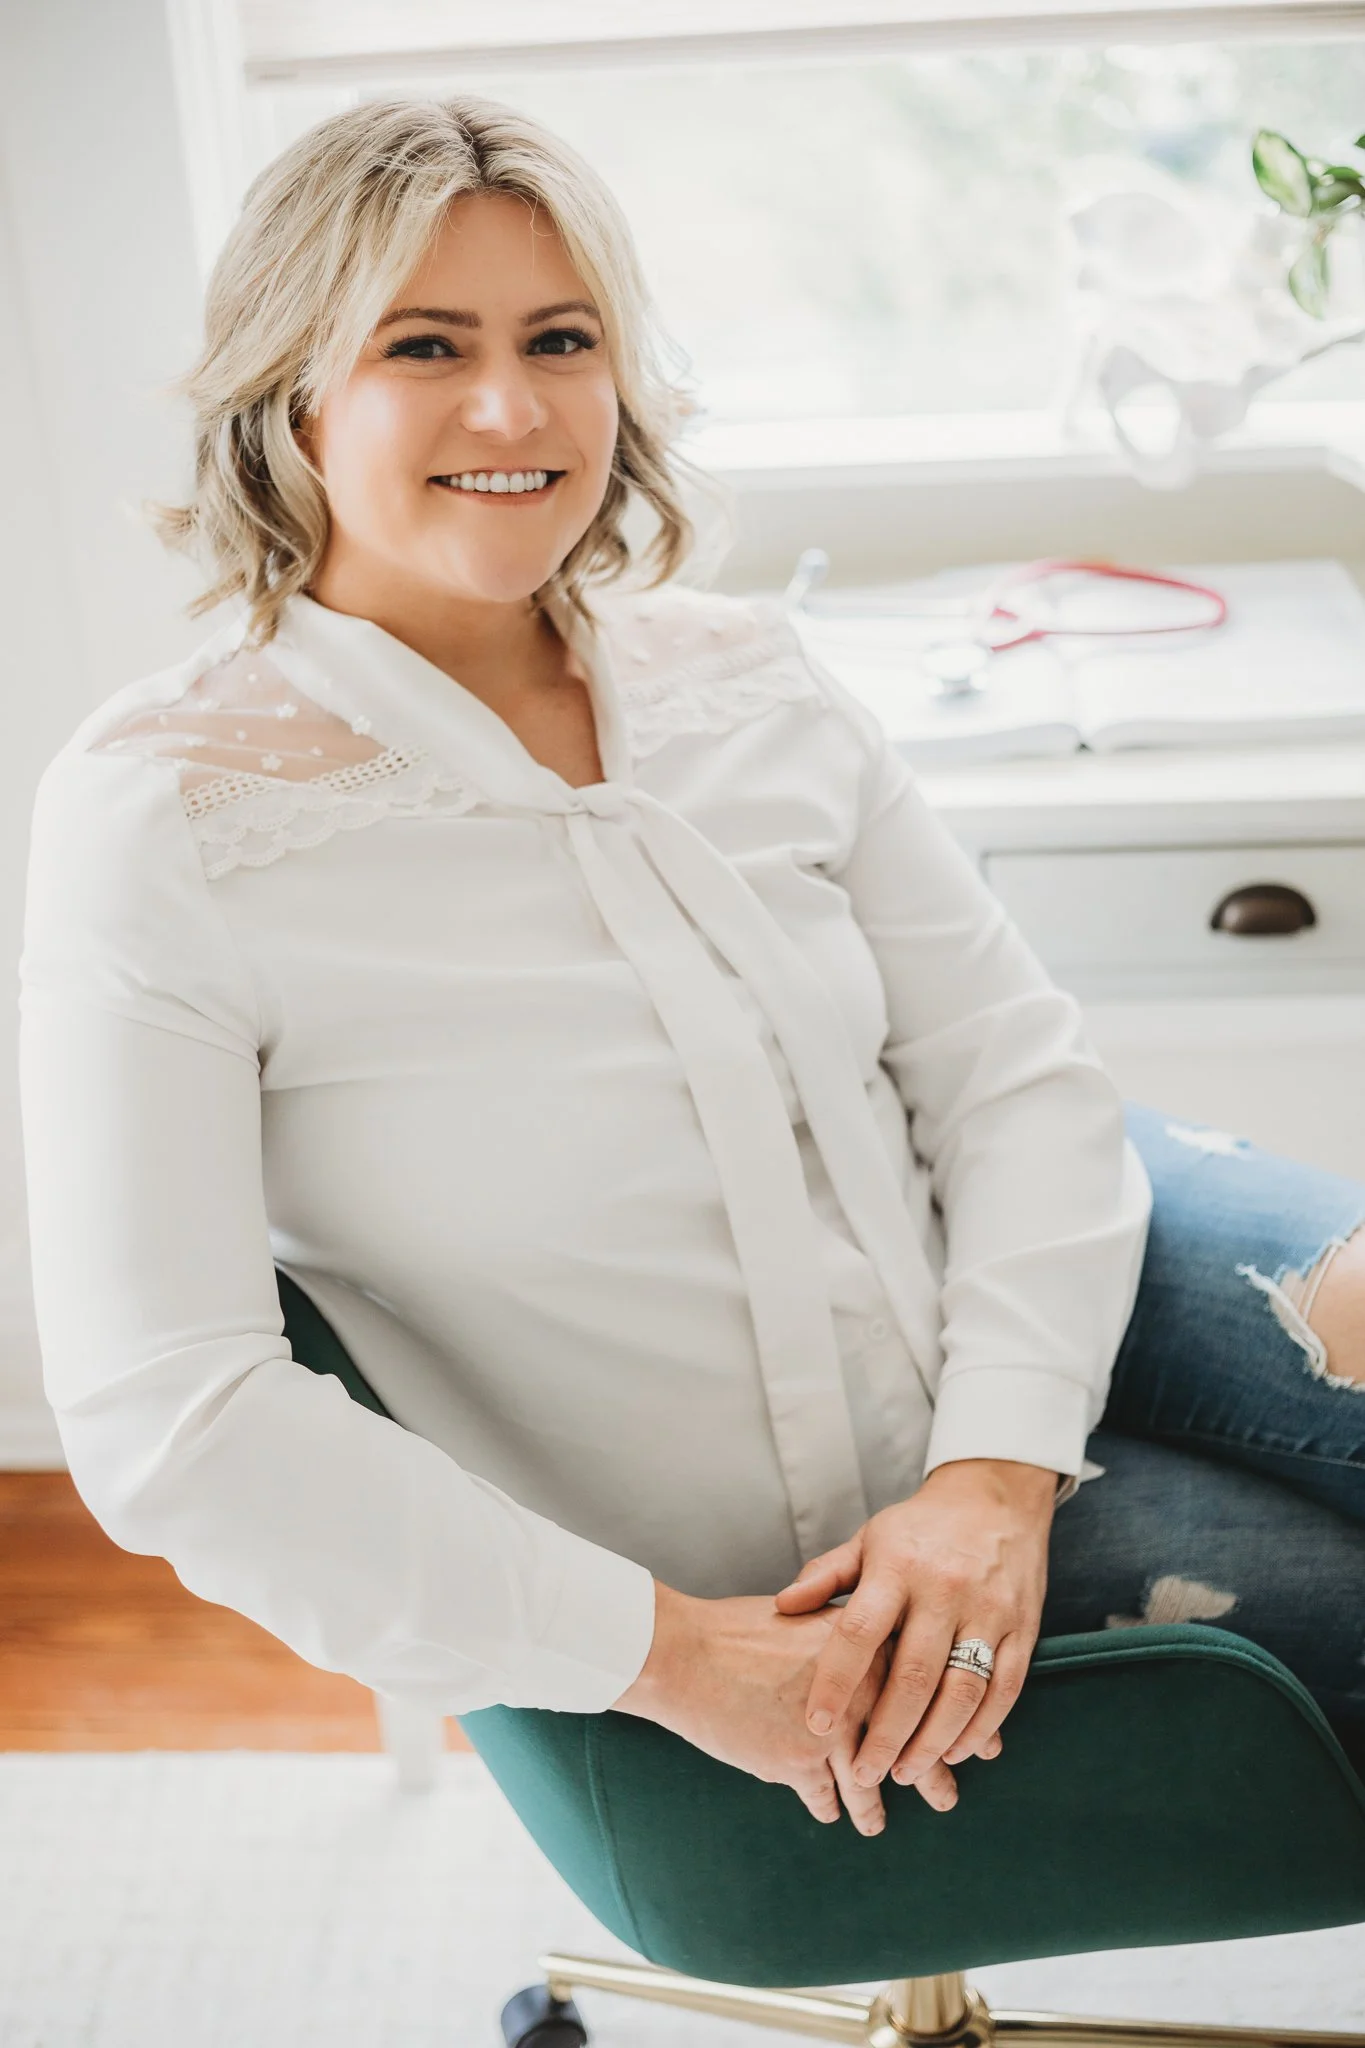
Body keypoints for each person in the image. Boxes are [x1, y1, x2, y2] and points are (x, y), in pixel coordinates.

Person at [17, 97, 1365, 1844]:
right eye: (426, 346)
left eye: (559, 342)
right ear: (295, 393)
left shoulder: (750, 678)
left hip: (1030, 1297)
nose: (512, 408)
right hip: (761, 1575)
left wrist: (994, 1471)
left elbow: (1010, 1074)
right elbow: (171, 1419)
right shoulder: (167, 819)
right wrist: (668, 1654)